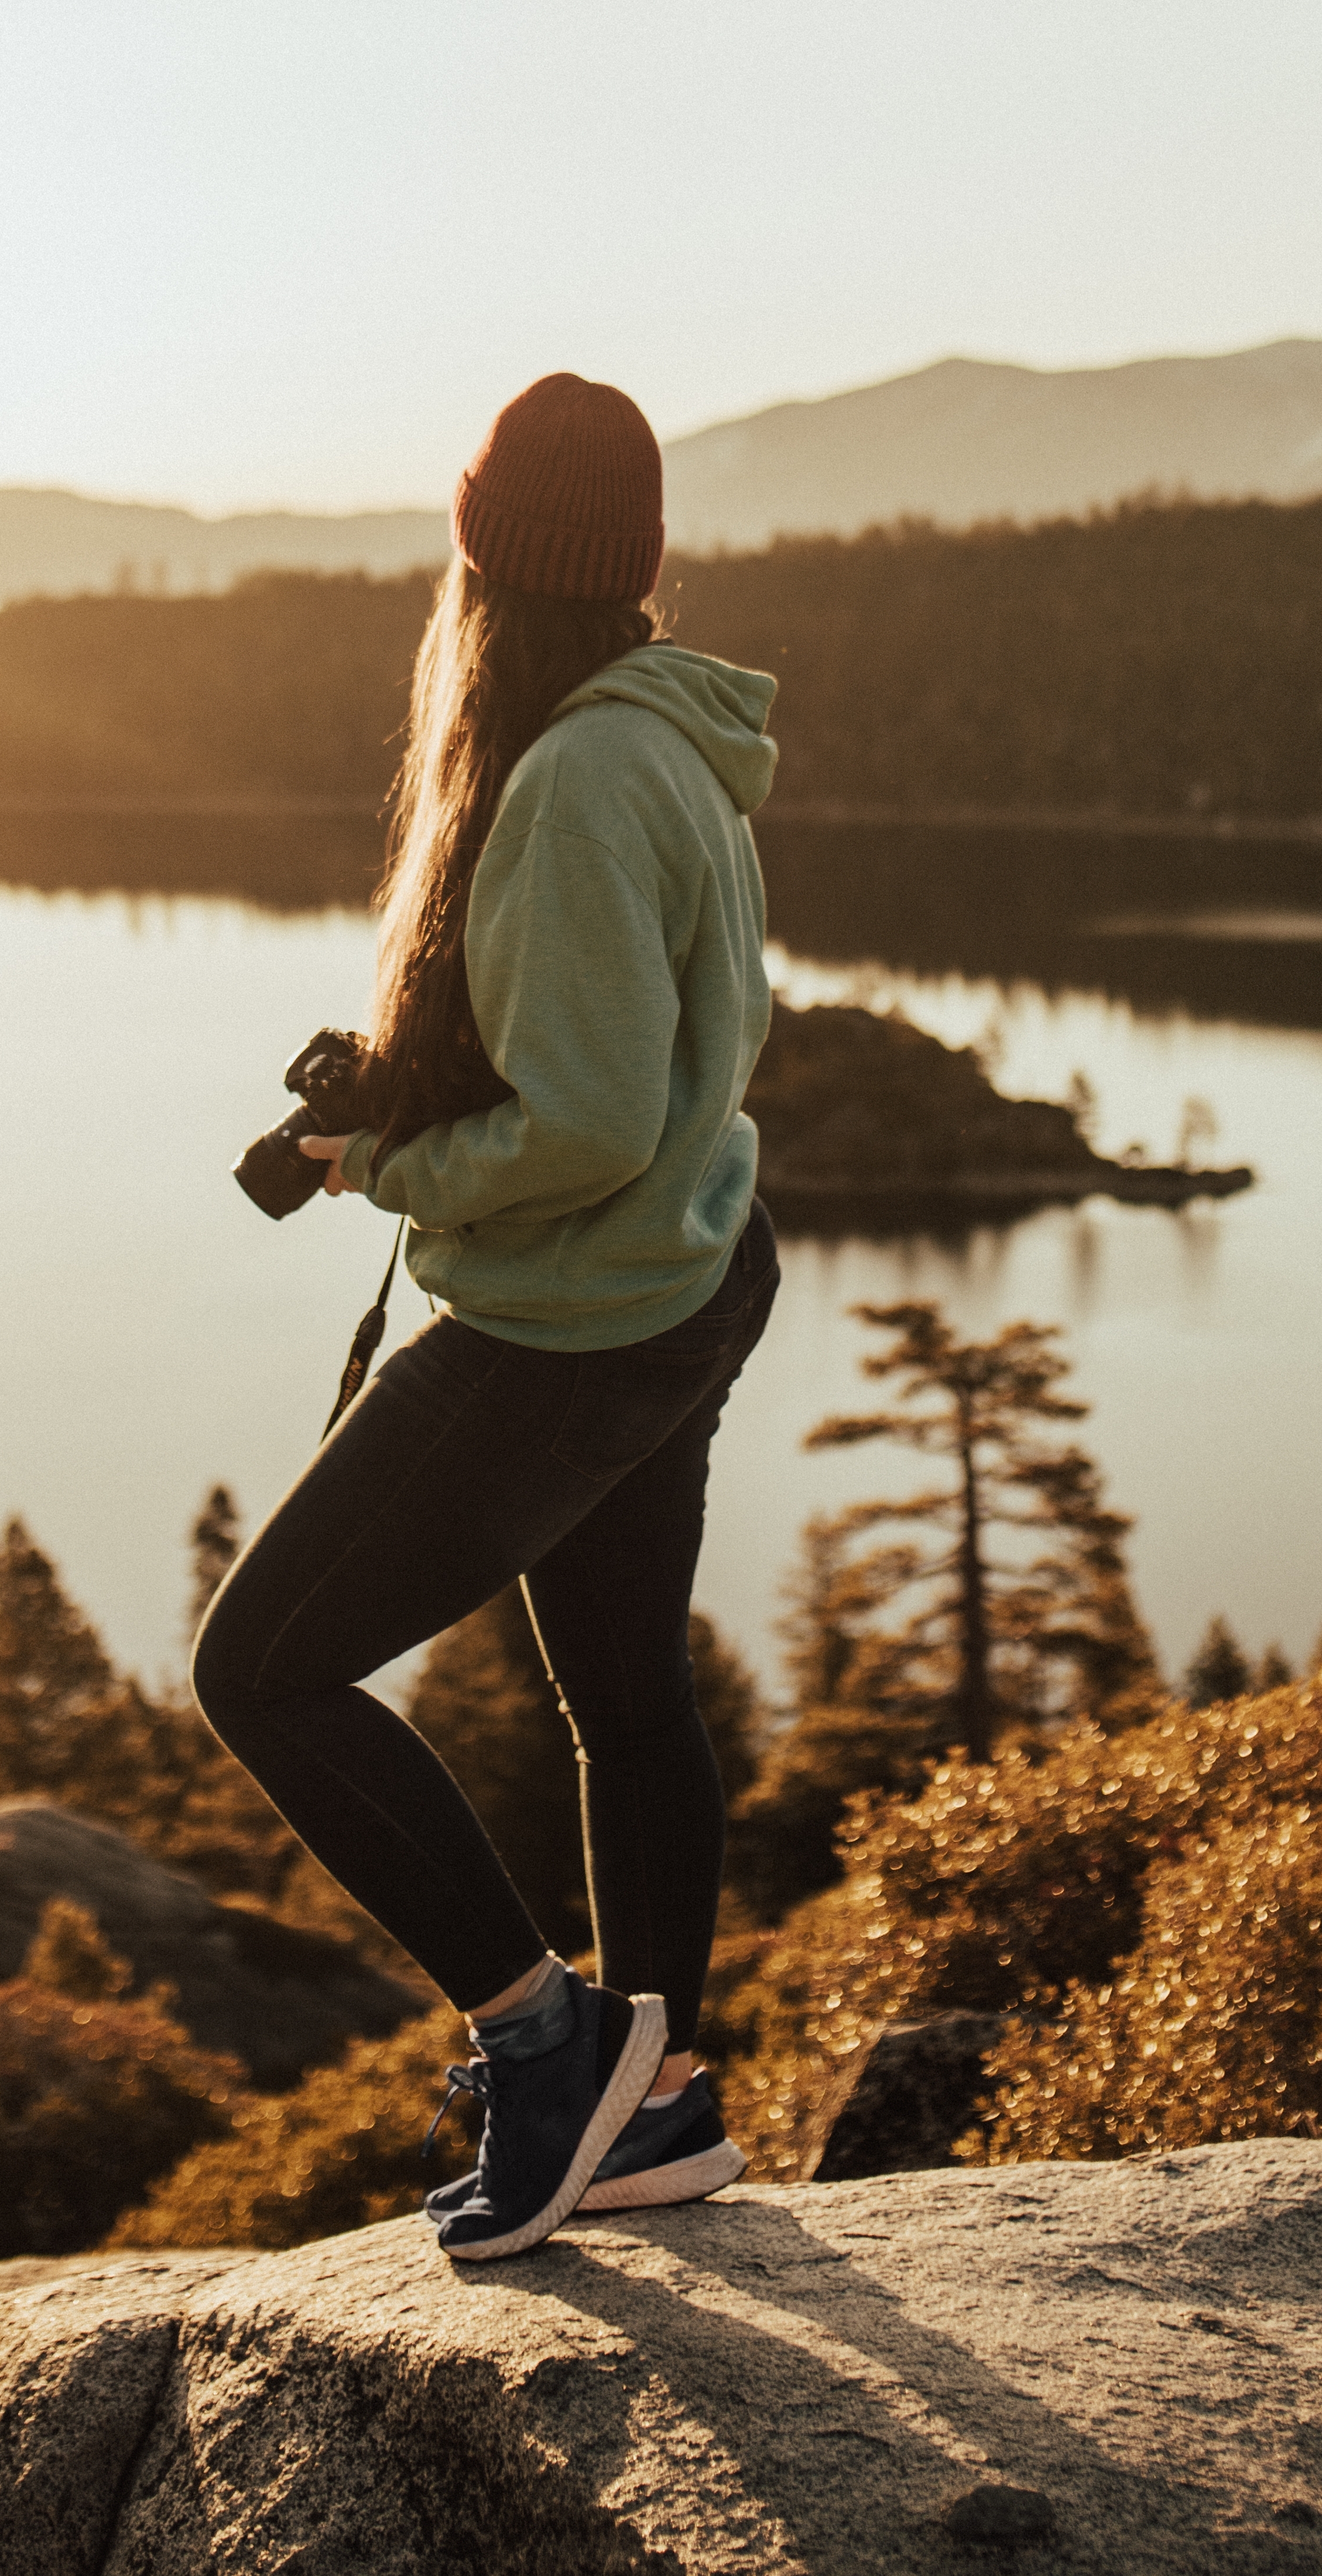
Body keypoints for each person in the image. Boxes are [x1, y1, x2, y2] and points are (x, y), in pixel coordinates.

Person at [191, 371, 781, 2263]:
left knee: (260, 1672)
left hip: (568, 1325)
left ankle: (545, 2041)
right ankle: (655, 2110)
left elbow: (587, 1122)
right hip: (686, 1278)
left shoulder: (579, 775)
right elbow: (638, 1057)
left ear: (485, 556)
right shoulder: (668, 736)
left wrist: (391, 1163)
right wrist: (419, 1084)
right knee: (628, 1700)